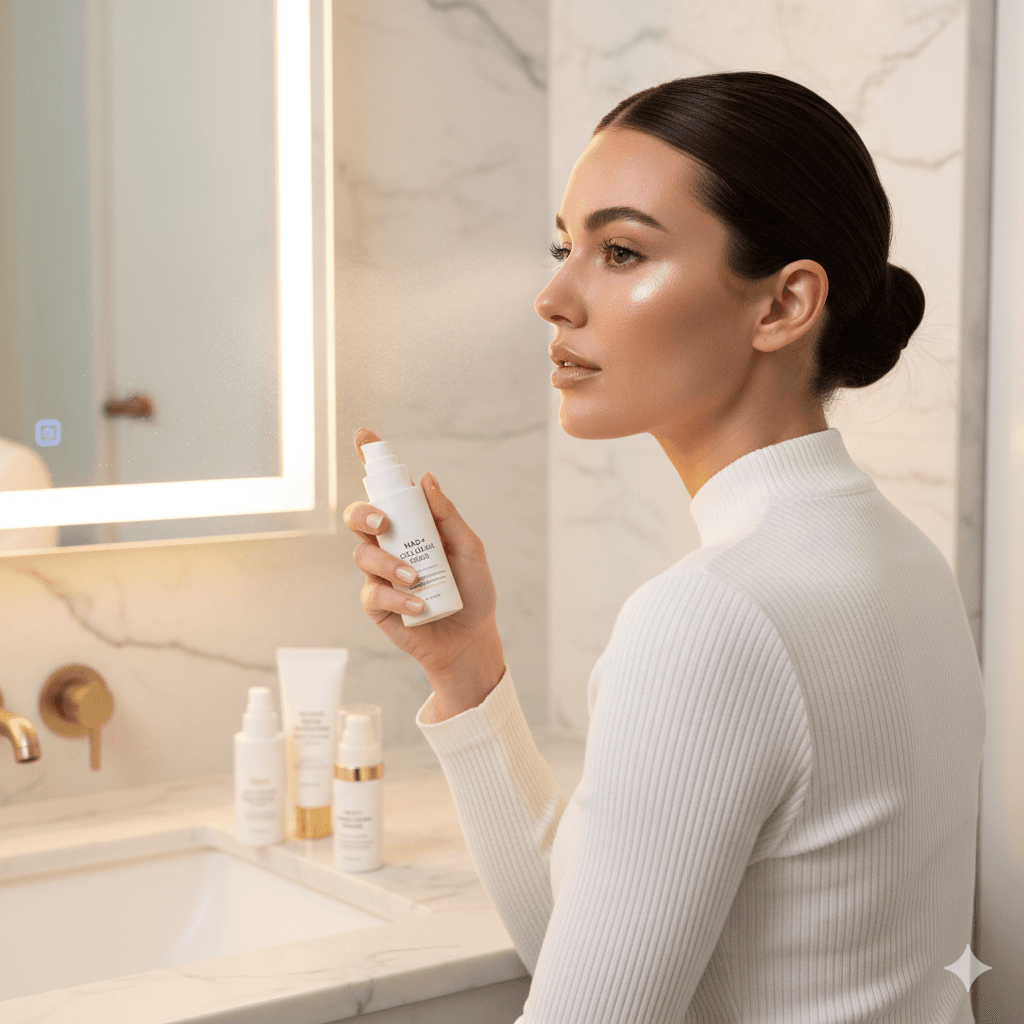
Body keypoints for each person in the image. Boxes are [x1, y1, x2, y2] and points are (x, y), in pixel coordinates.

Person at [343, 72, 985, 1023]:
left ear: (782, 305)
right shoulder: (901, 559)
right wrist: (466, 668)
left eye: (619, 250)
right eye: (565, 248)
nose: (554, 297)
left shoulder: (713, 618)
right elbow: (592, 950)